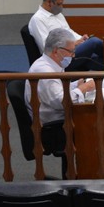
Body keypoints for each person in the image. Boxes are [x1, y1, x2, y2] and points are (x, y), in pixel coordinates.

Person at [24, 27, 96, 157]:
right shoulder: (45, 71)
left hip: (58, 118)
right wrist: (83, 88)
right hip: (54, 127)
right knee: (96, 123)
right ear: (57, 51)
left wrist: (76, 85)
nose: (73, 56)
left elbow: (58, 90)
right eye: (71, 51)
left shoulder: (52, 64)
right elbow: (61, 102)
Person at [28, 0, 104, 72]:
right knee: (94, 42)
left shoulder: (58, 14)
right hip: (60, 58)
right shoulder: (38, 19)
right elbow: (46, 48)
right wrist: (74, 44)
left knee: (96, 59)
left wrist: (81, 39)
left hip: (71, 50)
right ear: (49, 2)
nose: (62, 7)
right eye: (59, 4)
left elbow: (69, 31)